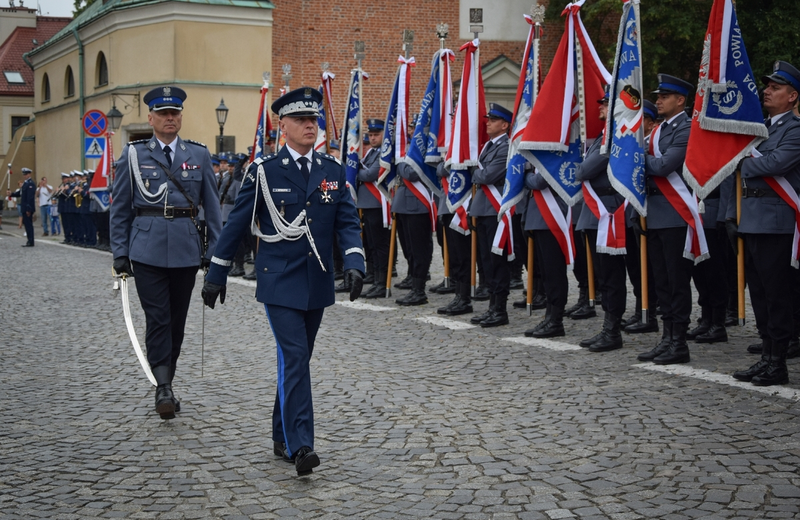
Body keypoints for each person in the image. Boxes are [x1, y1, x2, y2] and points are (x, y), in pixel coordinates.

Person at [201, 87, 365, 477]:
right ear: (283, 126)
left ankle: (280, 433)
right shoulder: (264, 171)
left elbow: (346, 221)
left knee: (297, 359)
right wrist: (216, 272)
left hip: (318, 280)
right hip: (279, 281)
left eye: (315, 120)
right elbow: (236, 224)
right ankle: (301, 444)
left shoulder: (332, 170)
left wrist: (355, 261)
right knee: (294, 357)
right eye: (302, 120)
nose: (311, 126)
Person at [110, 86, 222, 420]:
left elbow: (213, 210)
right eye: (163, 113)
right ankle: (163, 387)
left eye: (174, 113)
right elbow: (120, 209)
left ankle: (166, 381)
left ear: (180, 117)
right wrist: (119, 253)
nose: (169, 118)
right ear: (151, 118)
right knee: (157, 317)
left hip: (187, 249)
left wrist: (214, 254)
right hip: (146, 249)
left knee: (176, 321)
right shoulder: (133, 155)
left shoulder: (198, 155)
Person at [729, 61, 800, 386]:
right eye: (767, 86)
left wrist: (742, 161)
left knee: (777, 295)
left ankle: (778, 362)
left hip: (776, 224)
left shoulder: (795, 130)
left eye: (775, 87)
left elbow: (777, 162)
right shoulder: (759, 130)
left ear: (793, 96)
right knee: (758, 293)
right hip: (751, 221)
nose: (767, 91)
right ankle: (767, 356)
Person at [636, 74, 694, 365]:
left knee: (676, 281)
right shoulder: (657, 131)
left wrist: (636, 159)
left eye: (664, 96)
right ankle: (667, 337)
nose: (657, 100)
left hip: (675, 213)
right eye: (657, 96)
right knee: (661, 282)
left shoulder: (686, 128)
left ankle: (679, 342)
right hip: (655, 213)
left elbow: (664, 165)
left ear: (680, 100)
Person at [575, 87, 627, 352]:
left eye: (606, 103)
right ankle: (608, 327)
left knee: (611, 275)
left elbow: (584, 169)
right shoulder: (602, 137)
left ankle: (613, 330)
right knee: (602, 275)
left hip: (608, 213)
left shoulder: (616, 136)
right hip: (595, 214)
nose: (600, 107)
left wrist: (580, 170)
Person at [468, 103, 512, 327]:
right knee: (486, 261)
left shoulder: (505, 147)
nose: (488, 123)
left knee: (497, 262)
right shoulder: (487, 147)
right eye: (489, 119)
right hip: (483, 209)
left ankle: (500, 310)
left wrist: (476, 173)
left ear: (504, 125)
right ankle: (492, 307)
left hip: (495, 211)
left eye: (493, 120)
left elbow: (487, 176)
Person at [356, 119, 392, 299]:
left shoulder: (383, 153)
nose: (372, 138)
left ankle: (381, 281)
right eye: (370, 135)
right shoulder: (370, 152)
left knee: (380, 246)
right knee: (370, 244)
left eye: (376, 135)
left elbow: (371, 174)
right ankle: (374, 276)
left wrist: (357, 173)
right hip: (366, 204)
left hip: (378, 205)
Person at [9, 167, 36, 246]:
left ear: (29, 174)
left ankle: (31, 241)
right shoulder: (25, 183)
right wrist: (11, 194)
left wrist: (28, 209)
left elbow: (30, 198)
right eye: (24, 174)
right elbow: (20, 193)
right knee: (26, 225)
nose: (25, 176)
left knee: (29, 225)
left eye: (26, 174)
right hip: (24, 207)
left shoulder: (30, 183)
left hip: (28, 208)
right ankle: (29, 240)